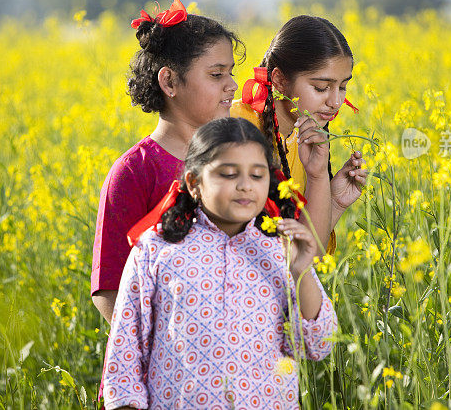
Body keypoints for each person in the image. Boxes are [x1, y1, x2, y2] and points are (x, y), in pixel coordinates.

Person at [102, 117, 337, 410]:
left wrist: (301, 269)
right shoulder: (155, 249)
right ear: (194, 182)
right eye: (228, 174)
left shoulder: (280, 249)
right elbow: (125, 356)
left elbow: (319, 344)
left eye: (257, 175)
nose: (245, 186)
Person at [92, 0, 243, 323]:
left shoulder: (239, 157)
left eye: (230, 73)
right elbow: (108, 290)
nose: (232, 85)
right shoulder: (134, 171)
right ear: (170, 81)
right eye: (217, 75)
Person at [231, 15, 367, 254]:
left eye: (343, 86)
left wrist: (333, 201)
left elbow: (307, 257)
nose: (336, 102)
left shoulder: (303, 140)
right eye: (321, 88)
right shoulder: (234, 128)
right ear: (280, 81)